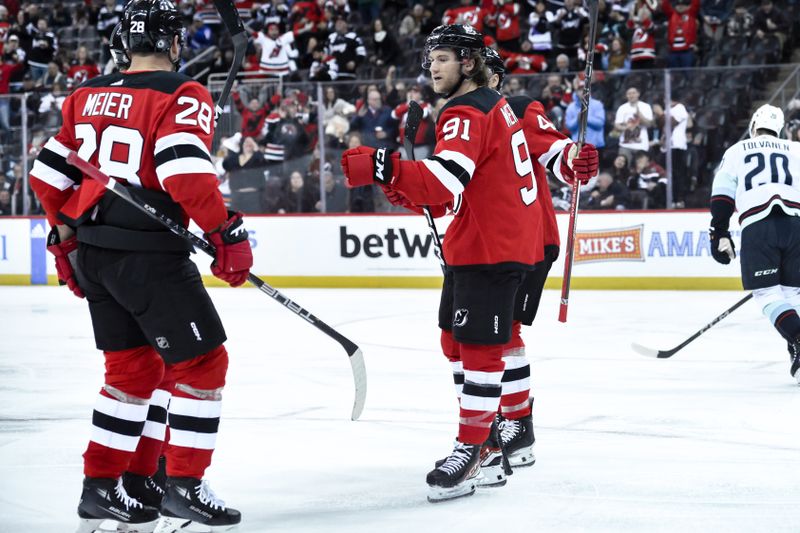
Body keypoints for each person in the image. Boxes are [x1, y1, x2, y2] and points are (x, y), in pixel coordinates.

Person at [340, 24, 597, 502]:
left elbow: (454, 180)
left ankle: (481, 443)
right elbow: (450, 189)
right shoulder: (490, 109)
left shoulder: (480, 109)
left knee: (486, 343)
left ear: (474, 64)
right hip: (484, 240)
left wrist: (385, 167)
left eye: (443, 58)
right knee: (459, 339)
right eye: (430, 59)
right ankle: (497, 436)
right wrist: (404, 182)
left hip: (500, 244)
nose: (432, 67)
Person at [28, 1, 249, 531]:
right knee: (203, 366)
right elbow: (184, 173)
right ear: (174, 43)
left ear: (125, 44)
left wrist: (64, 241)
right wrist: (225, 232)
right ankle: (185, 487)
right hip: (148, 256)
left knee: (132, 372)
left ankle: (103, 487)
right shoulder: (183, 93)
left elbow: (46, 176)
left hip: (97, 254)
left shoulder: (85, 94)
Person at [482, 45, 598, 467]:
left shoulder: (516, 110)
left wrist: (574, 159)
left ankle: (516, 424)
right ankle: (513, 423)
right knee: (486, 334)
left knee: (503, 332)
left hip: (527, 240)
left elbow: (556, 151)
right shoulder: (459, 118)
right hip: (492, 242)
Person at [709, 104, 800, 383]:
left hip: (758, 225)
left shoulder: (737, 151)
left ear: (753, 125)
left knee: (767, 293)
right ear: (781, 128)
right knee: (793, 292)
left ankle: (797, 338)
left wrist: (719, 232)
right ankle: (796, 347)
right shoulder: (796, 149)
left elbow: (723, 194)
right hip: (796, 223)